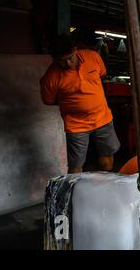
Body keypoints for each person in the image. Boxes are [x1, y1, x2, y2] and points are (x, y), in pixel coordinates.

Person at [40, 34, 120, 174]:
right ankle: (75, 192)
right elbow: (48, 100)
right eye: (62, 61)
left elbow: (102, 74)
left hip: (103, 118)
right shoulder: (51, 77)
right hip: (76, 125)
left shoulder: (93, 57)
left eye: (70, 58)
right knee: (75, 165)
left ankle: (106, 187)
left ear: (75, 50)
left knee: (107, 156)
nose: (68, 64)